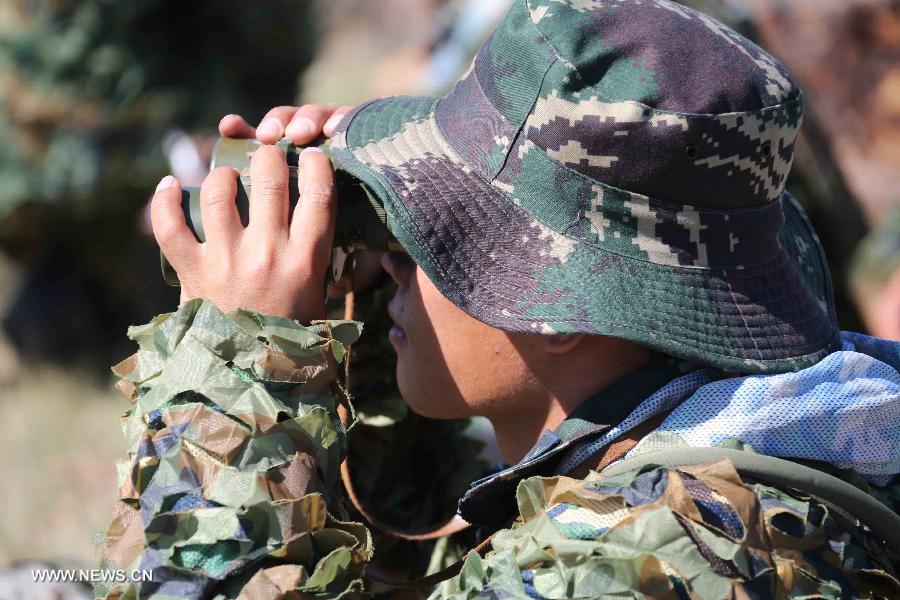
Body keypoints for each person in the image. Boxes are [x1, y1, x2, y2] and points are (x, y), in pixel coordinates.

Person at [99, 1, 900, 598]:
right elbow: (447, 568)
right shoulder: (757, 444)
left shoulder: (661, 556)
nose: (399, 257)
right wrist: (364, 315)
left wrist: (238, 359)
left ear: (554, 303)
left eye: (441, 233)